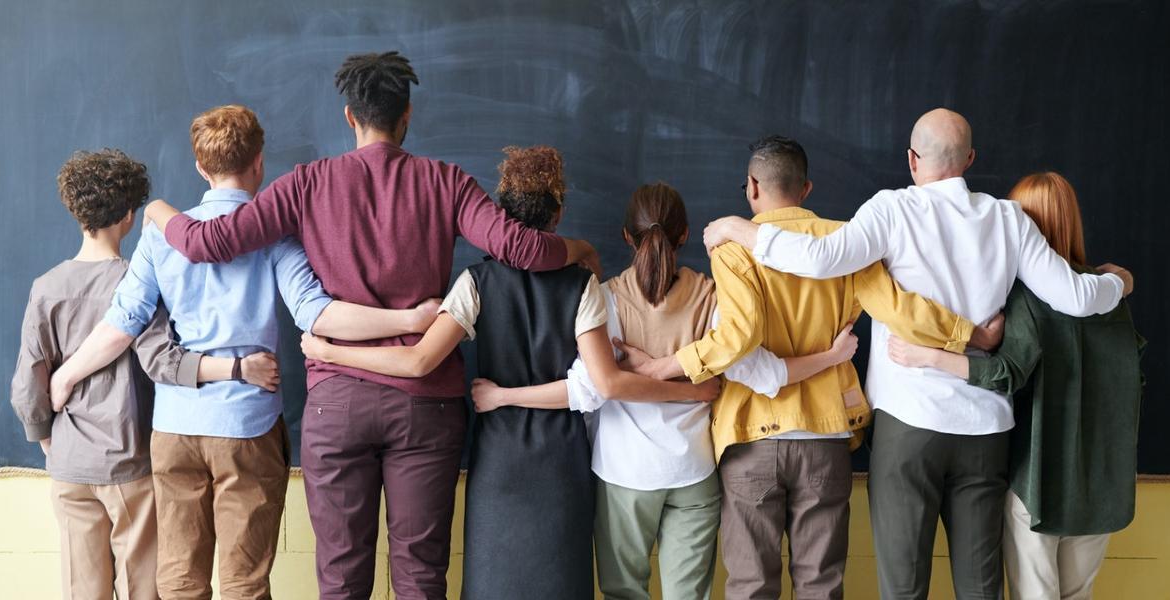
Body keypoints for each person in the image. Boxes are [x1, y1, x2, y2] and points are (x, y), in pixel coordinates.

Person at [140, 52, 600, 599]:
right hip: (425, 407)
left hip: (338, 406)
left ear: (349, 117)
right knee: (421, 574)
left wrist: (158, 210)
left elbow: (206, 243)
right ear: (407, 116)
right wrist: (581, 247)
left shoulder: (307, 183)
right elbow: (523, 249)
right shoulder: (445, 182)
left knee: (340, 577)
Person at [702, 110, 1133, 600]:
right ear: (970, 159)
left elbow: (819, 259)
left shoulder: (891, 210)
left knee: (904, 585)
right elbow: (1076, 298)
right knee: (980, 586)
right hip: (985, 428)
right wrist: (1119, 281)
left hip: (908, 426)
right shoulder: (1008, 219)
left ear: (911, 160)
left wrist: (740, 228)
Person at [49, 106, 436, 600]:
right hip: (247, 428)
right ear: (259, 162)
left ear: (199, 167)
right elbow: (316, 314)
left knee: (179, 580)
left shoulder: (159, 236)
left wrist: (65, 377)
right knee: (244, 582)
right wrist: (411, 320)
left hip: (175, 427)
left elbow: (120, 326)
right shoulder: (274, 236)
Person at [300, 147, 720, 600]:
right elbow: (600, 385)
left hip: (500, 457)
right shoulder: (584, 287)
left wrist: (331, 352)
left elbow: (418, 361)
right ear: (558, 216)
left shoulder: (475, 282)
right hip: (561, 457)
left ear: (499, 214)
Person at [620, 136, 998, 600]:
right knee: (821, 585)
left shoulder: (733, 248)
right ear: (806, 189)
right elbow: (902, 310)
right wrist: (969, 334)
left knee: (751, 584)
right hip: (827, 435)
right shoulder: (848, 240)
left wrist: (662, 367)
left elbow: (737, 339)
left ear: (753, 187)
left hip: (752, 437)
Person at [468, 180, 866, 600]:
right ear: (684, 235)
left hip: (624, 473)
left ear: (626, 236)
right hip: (694, 470)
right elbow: (748, 373)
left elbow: (591, 389)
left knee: (624, 591)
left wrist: (505, 395)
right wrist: (691, 386)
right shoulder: (713, 297)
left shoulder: (606, 299)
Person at [10, 148, 276, 600]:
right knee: (145, 589)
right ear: (130, 217)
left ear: (76, 213)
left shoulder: (46, 286)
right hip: (129, 463)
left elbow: (27, 384)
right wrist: (233, 368)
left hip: (69, 465)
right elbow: (161, 360)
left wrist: (52, 445)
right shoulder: (138, 279)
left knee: (82, 588)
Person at [886, 172, 1145, 600]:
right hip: (1102, 486)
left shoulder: (1026, 298)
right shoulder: (1111, 300)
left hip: (1039, 484)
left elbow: (1006, 373)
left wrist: (930, 356)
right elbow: (1131, 383)